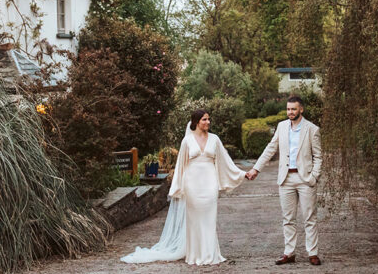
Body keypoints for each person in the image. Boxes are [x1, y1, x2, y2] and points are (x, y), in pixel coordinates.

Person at [121, 110, 246, 265]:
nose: (208, 122)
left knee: (209, 218)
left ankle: (210, 254)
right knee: (194, 220)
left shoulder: (215, 140)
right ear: (196, 122)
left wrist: (241, 174)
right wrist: (178, 187)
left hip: (209, 182)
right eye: (204, 119)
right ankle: (194, 254)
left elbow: (224, 161)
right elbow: (181, 165)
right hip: (192, 184)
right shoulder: (187, 141)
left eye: (208, 119)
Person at [246, 95, 323, 265]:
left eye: (293, 109)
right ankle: (289, 253)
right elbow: (270, 149)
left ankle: (313, 253)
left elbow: (318, 156)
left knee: (310, 217)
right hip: (285, 178)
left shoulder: (312, 129)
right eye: (288, 109)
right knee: (288, 218)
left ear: (301, 109)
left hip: (305, 179)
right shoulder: (281, 127)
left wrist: (314, 177)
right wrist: (256, 169)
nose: (290, 112)